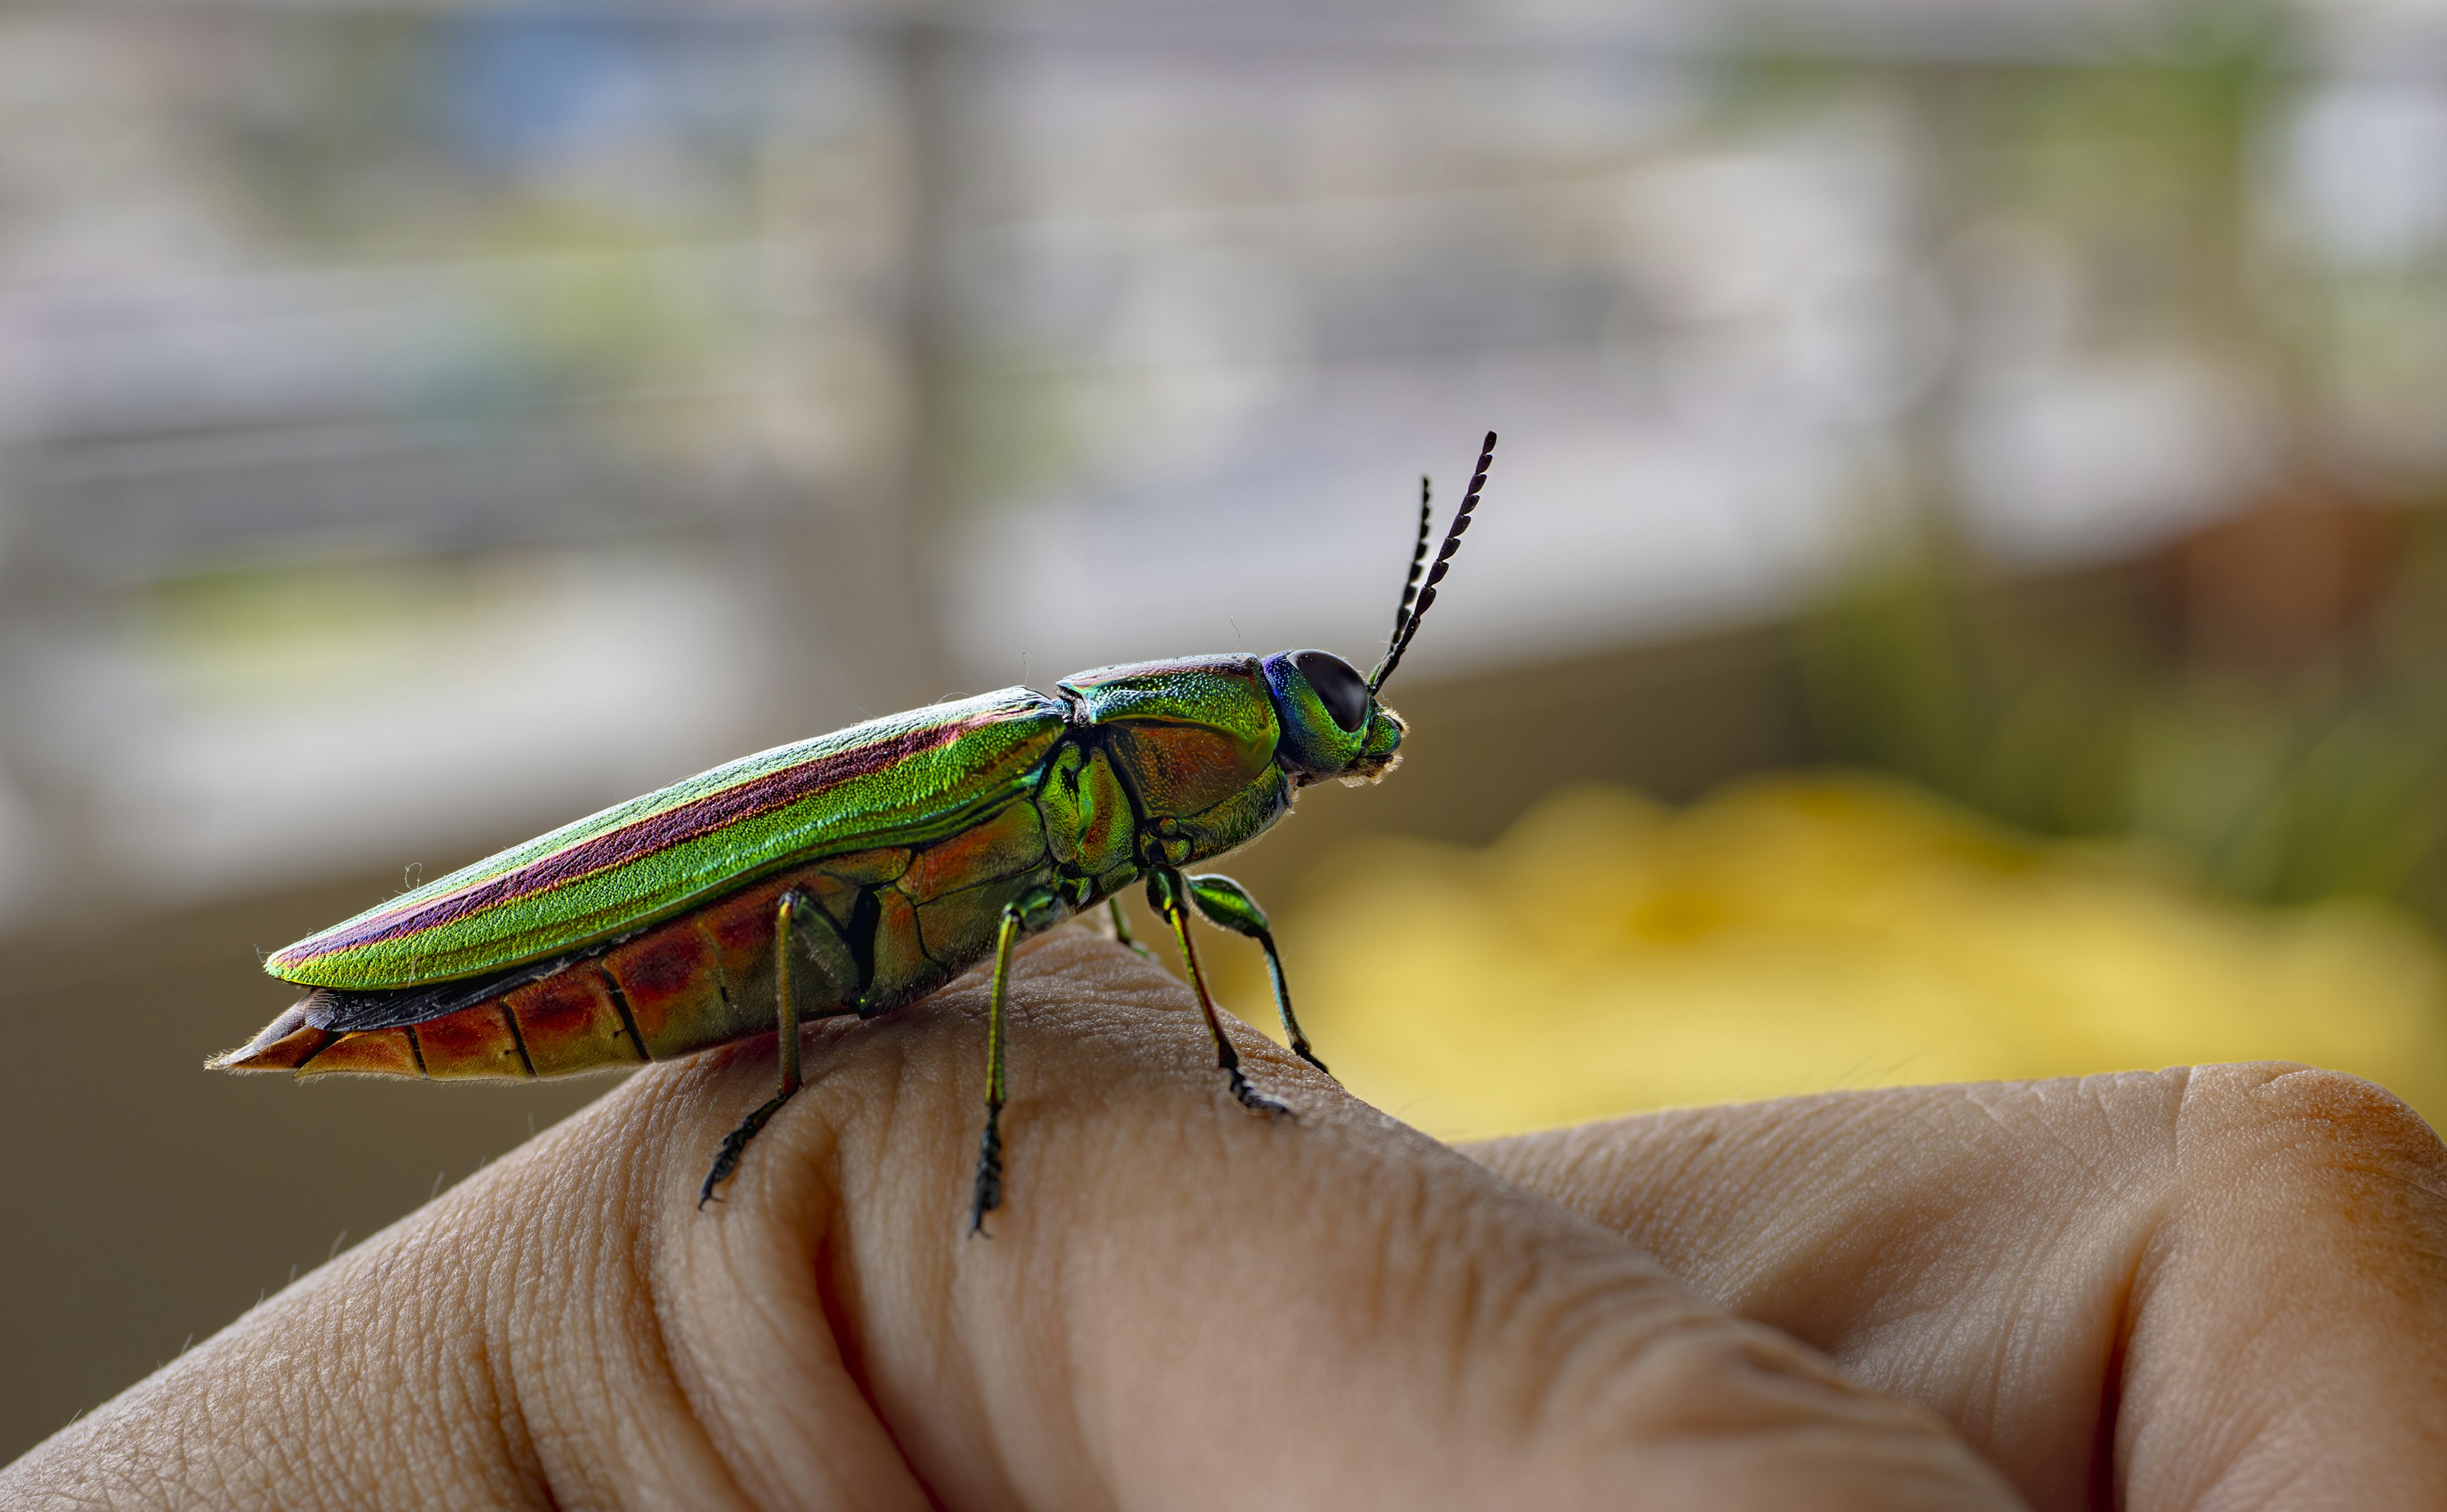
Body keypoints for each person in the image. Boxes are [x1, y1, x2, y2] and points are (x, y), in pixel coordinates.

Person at [6, 927, 2441, 1508]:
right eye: (1300, 724)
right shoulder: (1066, 795)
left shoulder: (1131, 857)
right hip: (652, 941)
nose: (1333, 749)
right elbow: (981, 979)